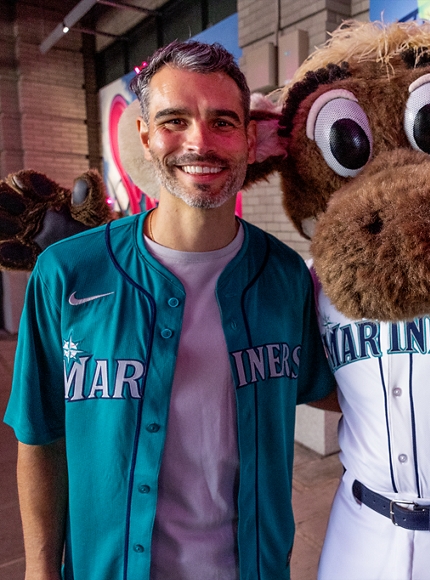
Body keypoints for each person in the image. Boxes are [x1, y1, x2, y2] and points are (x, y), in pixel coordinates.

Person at [3, 40, 335, 580]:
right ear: (144, 135)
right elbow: (39, 438)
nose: (199, 142)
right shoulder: (66, 274)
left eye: (223, 121)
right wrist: (39, 571)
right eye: (174, 120)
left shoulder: (284, 277)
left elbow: (339, 388)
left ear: (250, 140)